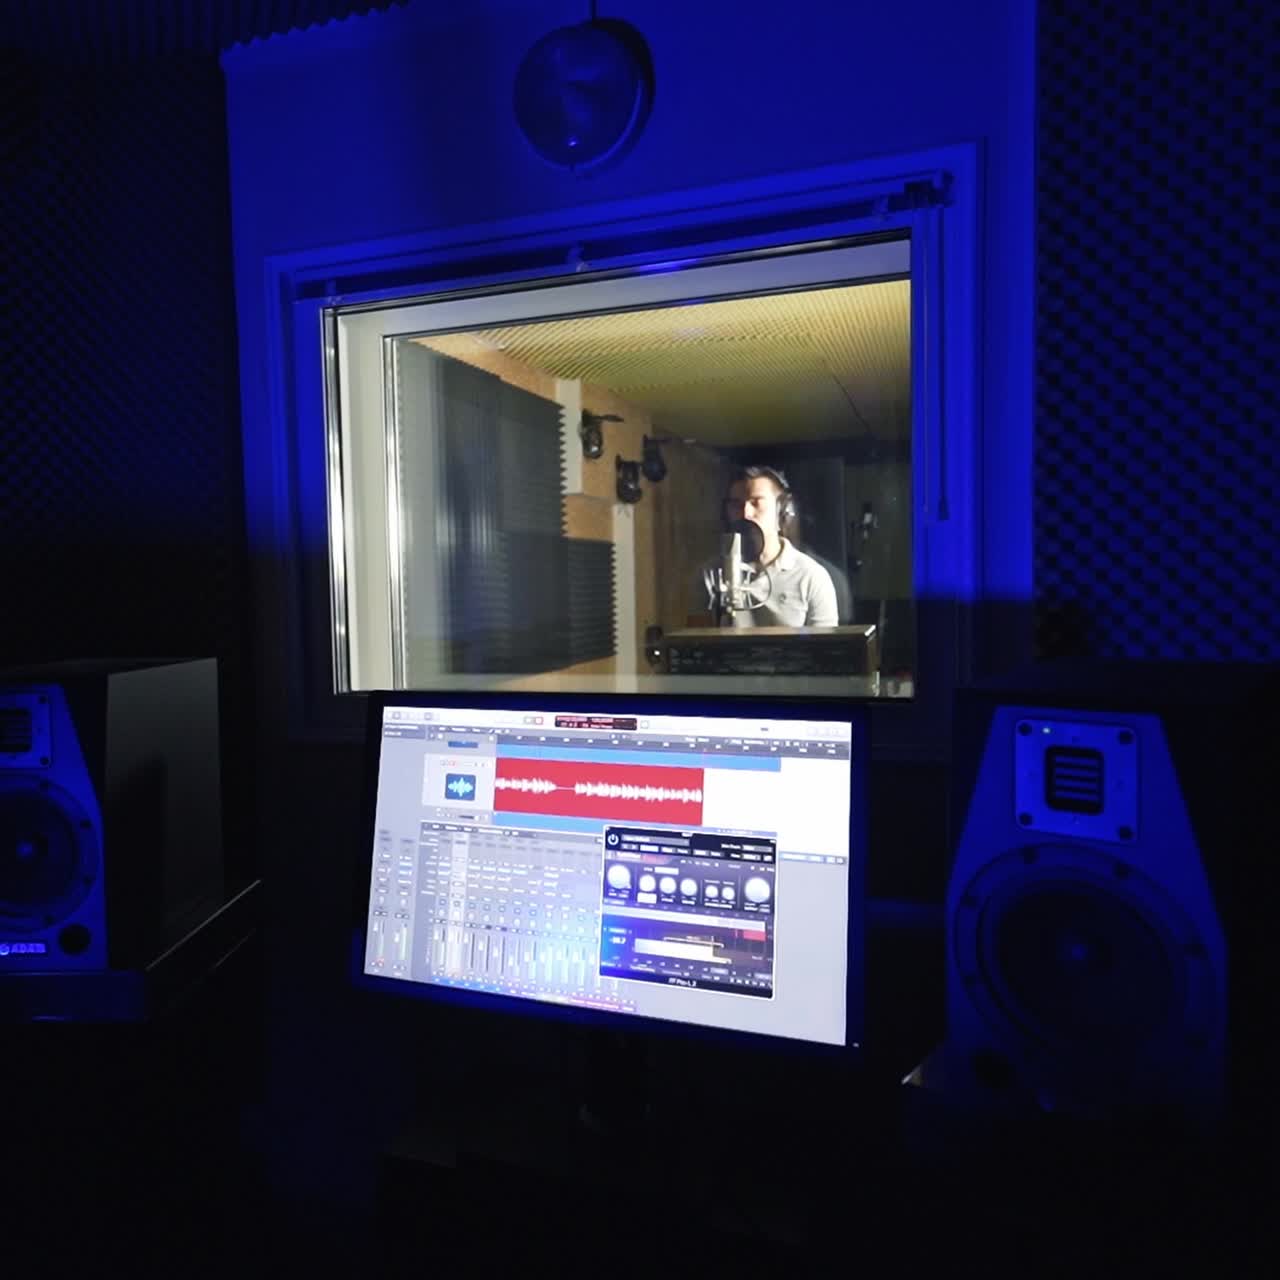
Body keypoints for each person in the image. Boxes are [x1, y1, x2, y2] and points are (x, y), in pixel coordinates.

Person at [690, 465, 839, 628]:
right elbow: (696, 638)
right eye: (736, 505)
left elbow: (824, 642)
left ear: (782, 513)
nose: (745, 513)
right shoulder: (709, 575)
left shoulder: (812, 577)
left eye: (756, 503)